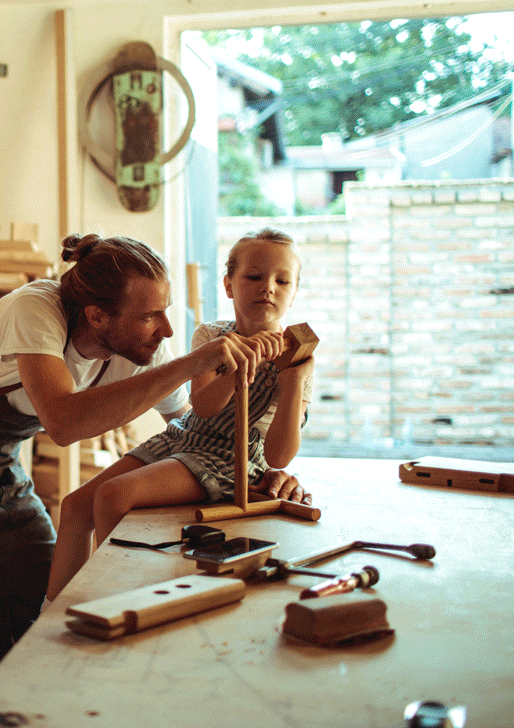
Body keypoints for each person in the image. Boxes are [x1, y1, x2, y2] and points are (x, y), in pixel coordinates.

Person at [0, 233, 297, 728]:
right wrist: (190, 365)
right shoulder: (35, 308)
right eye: (150, 315)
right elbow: (64, 422)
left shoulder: (146, 347)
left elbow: (190, 431)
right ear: (96, 317)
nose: (167, 330)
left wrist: (272, 471)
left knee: (38, 603)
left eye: (167, 311)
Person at [46, 227, 316, 601]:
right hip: (184, 437)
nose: (267, 287)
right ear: (228, 285)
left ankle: (110, 602)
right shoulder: (212, 336)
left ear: (295, 292)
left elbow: (278, 456)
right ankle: (54, 616)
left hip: (228, 459)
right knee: (76, 505)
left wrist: (295, 378)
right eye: (254, 276)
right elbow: (203, 407)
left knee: (111, 497)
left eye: (282, 280)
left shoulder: (297, 358)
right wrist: (237, 363)